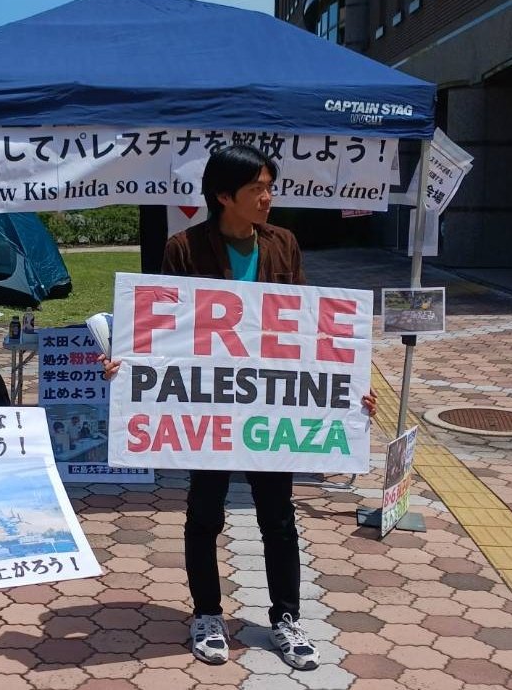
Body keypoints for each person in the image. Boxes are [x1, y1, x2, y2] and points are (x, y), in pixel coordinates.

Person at [101, 144, 377, 670]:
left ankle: (286, 618)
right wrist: (127, 367)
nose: (268, 198)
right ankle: (207, 614)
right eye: (257, 189)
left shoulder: (283, 244)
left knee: (279, 516)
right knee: (204, 513)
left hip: (270, 408)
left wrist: (348, 385)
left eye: (270, 187)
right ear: (224, 196)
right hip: (209, 409)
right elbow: (163, 334)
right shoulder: (184, 249)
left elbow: (305, 328)